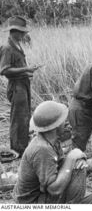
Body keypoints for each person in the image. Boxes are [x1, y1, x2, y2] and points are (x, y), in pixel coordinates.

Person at [13, 101, 92, 204]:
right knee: (85, 195)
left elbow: (61, 166)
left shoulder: (52, 141)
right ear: (55, 126)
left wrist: (78, 161)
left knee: (90, 198)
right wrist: (71, 158)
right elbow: (54, 189)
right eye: (64, 122)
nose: (68, 125)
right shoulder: (42, 149)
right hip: (32, 203)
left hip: (42, 196)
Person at [0, 16, 42, 156]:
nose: (24, 34)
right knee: (17, 118)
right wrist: (26, 69)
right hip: (16, 87)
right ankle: (17, 149)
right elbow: (4, 70)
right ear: (14, 31)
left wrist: (29, 71)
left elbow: (17, 67)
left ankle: (23, 145)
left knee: (24, 116)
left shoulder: (17, 44)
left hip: (23, 84)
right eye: (22, 31)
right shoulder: (7, 48)